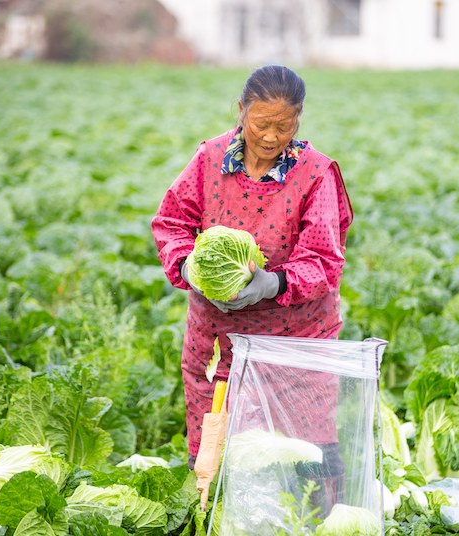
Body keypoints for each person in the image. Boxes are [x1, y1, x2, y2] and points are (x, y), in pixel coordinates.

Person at [151, 65, 352, 489]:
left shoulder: (316, 174)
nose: (270, 136)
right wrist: (191, 267)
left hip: (296, 345)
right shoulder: (209, 159)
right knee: (218, 460)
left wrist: (273, 283)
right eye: (261, 123)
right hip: (218, 344)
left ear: (298, 119)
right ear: (241, 110)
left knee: (302, 462)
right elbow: (171, 222)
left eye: (284, 126)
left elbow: (323, 259)